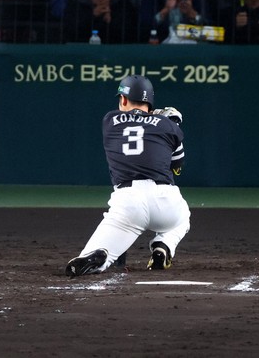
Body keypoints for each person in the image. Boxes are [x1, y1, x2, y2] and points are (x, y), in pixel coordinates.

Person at [64, 75, 190, 277]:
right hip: (166, 200)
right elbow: (177, 166)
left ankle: (101, 255)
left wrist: (162, 121)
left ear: (123, 100)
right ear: (150, 102)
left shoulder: (109, 120)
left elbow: (138, 121)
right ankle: (163, 246)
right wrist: (172, 124)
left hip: (129, 203)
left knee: (96, 252)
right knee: (182, 219)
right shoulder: (168, 126)